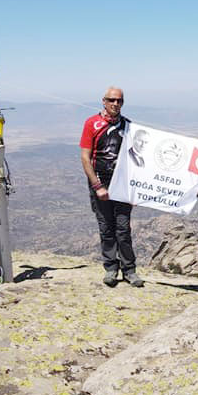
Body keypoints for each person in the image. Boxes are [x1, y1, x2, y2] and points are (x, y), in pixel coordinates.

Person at [80, 86, 144, 288]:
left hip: (123, 185)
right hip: (100, 182)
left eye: (119, 101)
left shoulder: (128, 126)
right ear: (104, 101)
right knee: (106, 227)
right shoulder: (92, 123)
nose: (115, 104)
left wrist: (136, 190)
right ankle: (110, 268)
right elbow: (85, 157)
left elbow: (136, 158)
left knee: (123, 228)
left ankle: (129, 270)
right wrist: (97, 185)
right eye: (112, 100)